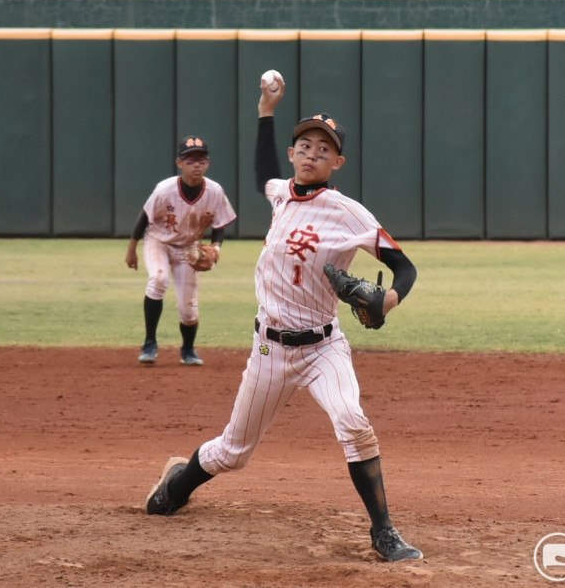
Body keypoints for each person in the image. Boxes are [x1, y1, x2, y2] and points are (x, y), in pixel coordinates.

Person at [144, 75, 422, 562]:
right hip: (270, 350)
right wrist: (266, 110)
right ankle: (176, 487)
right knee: (234, 452)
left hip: (323, 347)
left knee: (354, 422)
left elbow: (404, 266)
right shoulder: (280, 196)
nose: (312, 152)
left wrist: (387, 301)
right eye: (304, 145)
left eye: (324, 148)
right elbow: (262, 176)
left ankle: (384, 533)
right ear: (294, 154)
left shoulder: (350, 213)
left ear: (338, 162)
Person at [125, 135, 236, 366]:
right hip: (159, 242)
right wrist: (132, 250)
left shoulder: (215, 191)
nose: (196, 164)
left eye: (201, 159)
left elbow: (220, 227)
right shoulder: (165, 190)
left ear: (208, 163)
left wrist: (216, 248)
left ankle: (188, 350)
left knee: (189, 311)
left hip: (189, 249)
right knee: (158, 279)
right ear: (179, 163)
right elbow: (144, 218)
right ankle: (149, 343)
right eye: (190, 160)